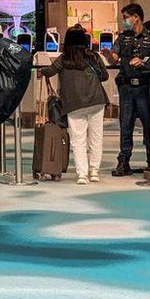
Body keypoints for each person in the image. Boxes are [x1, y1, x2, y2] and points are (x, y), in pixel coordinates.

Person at [39, 26, 110, 185]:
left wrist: (41, 70)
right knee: (96, 138)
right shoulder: (93, 56)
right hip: (96, 101)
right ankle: (94, 172)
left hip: (73, 104)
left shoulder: (63, 59)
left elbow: (49, 71)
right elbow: (104, 76)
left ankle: (82, 175)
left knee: (78, 140)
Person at [102, 3, 150, 177]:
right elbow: (114, 59)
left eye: (126, 18)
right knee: (126, 125)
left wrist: (143, 62)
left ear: (136, 16)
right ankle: (124, 162)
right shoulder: (123, 38)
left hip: (145, 87)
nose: (125, 22)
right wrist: (108, 55)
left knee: (149, 126)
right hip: (127, 87)